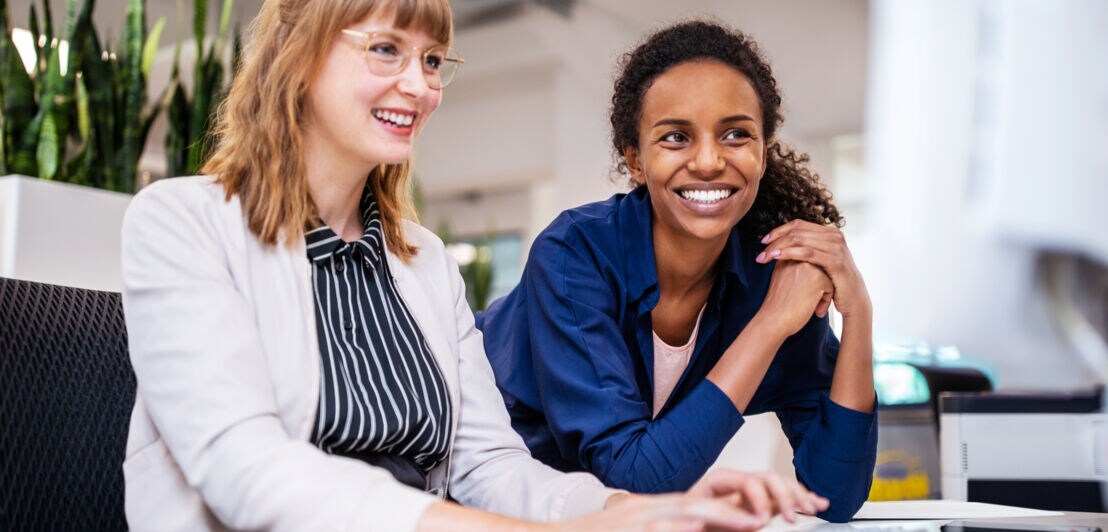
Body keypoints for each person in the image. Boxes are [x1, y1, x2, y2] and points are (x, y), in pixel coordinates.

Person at [119, 2, 828, 530]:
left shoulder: (422, 264)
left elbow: (489, 467)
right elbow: (245, 470)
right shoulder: (182, 223)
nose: (421, 86)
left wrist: (641, 511)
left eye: (432, 62)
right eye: (387, 49)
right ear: (299, 57)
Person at [476, 20, 878, 523]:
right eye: (676, 137)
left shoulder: (767, 274)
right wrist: (771, 324)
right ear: (636, 161)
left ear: (761, 152)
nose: (709, 161)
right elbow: (635, 476)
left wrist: (857, 308)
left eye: (736, 134)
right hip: (474, 489)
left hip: (599, 517)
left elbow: (835, 493)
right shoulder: (575, 253)